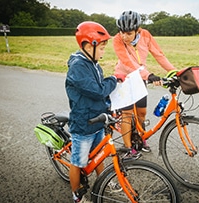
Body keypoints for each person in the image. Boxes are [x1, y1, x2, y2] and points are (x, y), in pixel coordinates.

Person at [65, 21, 121, 203]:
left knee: (98, 156)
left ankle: (104, 181)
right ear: (89, 45)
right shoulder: (78, 67)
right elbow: (97, 90)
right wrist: (113, 79)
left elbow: (100, 92)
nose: (104, 52)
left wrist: (110, 111)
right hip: (83, 124)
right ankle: (76, 195)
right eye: (102, 48)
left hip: (96, 120)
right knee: (79, 162)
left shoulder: (94, 63)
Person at [113, 11, 177, 158]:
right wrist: (148, 75)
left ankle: (139, 138)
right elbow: (127, 62)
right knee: (127, 115)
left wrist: (174, 71)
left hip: (140, 77)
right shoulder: (117, 40)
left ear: (138, 30)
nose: (124, 36)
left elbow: (158, 54)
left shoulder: (146, 35)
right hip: (124, 78)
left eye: (128, 33)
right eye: (122, 32)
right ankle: (128, 148)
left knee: (142, 112)